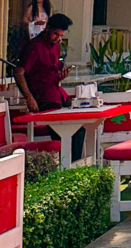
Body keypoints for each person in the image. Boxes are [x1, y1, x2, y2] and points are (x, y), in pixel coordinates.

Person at [15, 13, 84, 159]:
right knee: (63, 134)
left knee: (79, 130)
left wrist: (61, 75)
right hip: (44, 97)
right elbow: (19, 72)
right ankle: (67, 165)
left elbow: (51, 71)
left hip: (56, 93)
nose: (58, 39)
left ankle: (73, 164)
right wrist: (29, 98)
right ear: (48, 29)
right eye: (55, 35)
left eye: (61, 36)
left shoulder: (55, 47)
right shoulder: (34, 46)